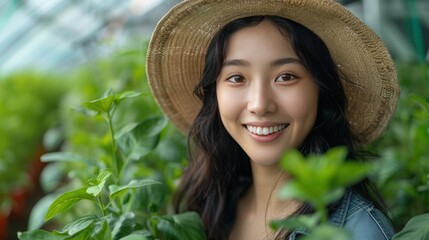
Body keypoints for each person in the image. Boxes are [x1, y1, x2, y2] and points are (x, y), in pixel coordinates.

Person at [146, 0, 400, 239]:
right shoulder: (205, 209)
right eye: (237, 78)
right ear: (215, 95)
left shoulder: (359, 231)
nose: (260, 105)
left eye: (286, 76)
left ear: (322, 90)